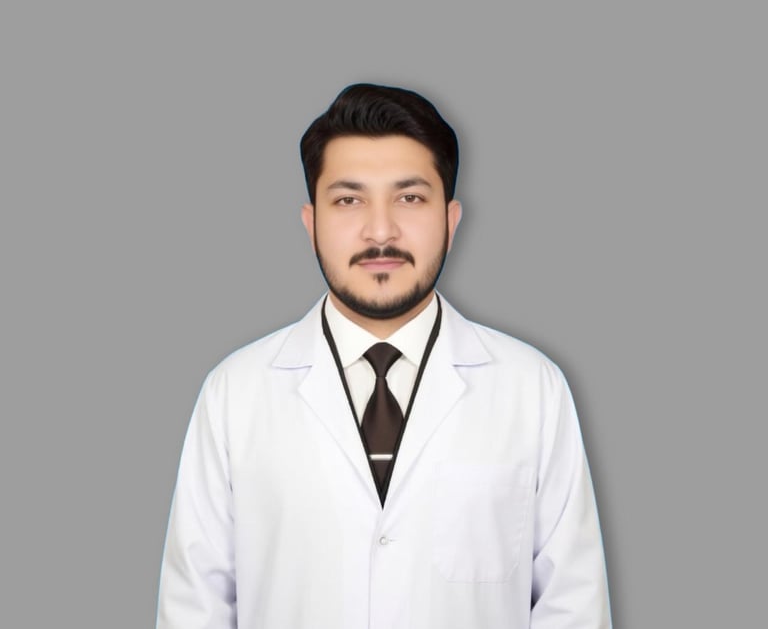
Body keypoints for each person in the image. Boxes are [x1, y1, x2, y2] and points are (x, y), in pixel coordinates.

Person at [156, 83, 612, 628]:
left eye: (410, 198)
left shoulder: (532, 389)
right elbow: (195, 609)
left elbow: (573, 606)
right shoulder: (234, 393)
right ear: (311, 223)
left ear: (451, 220)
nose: (380, 231)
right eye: (349, 200)